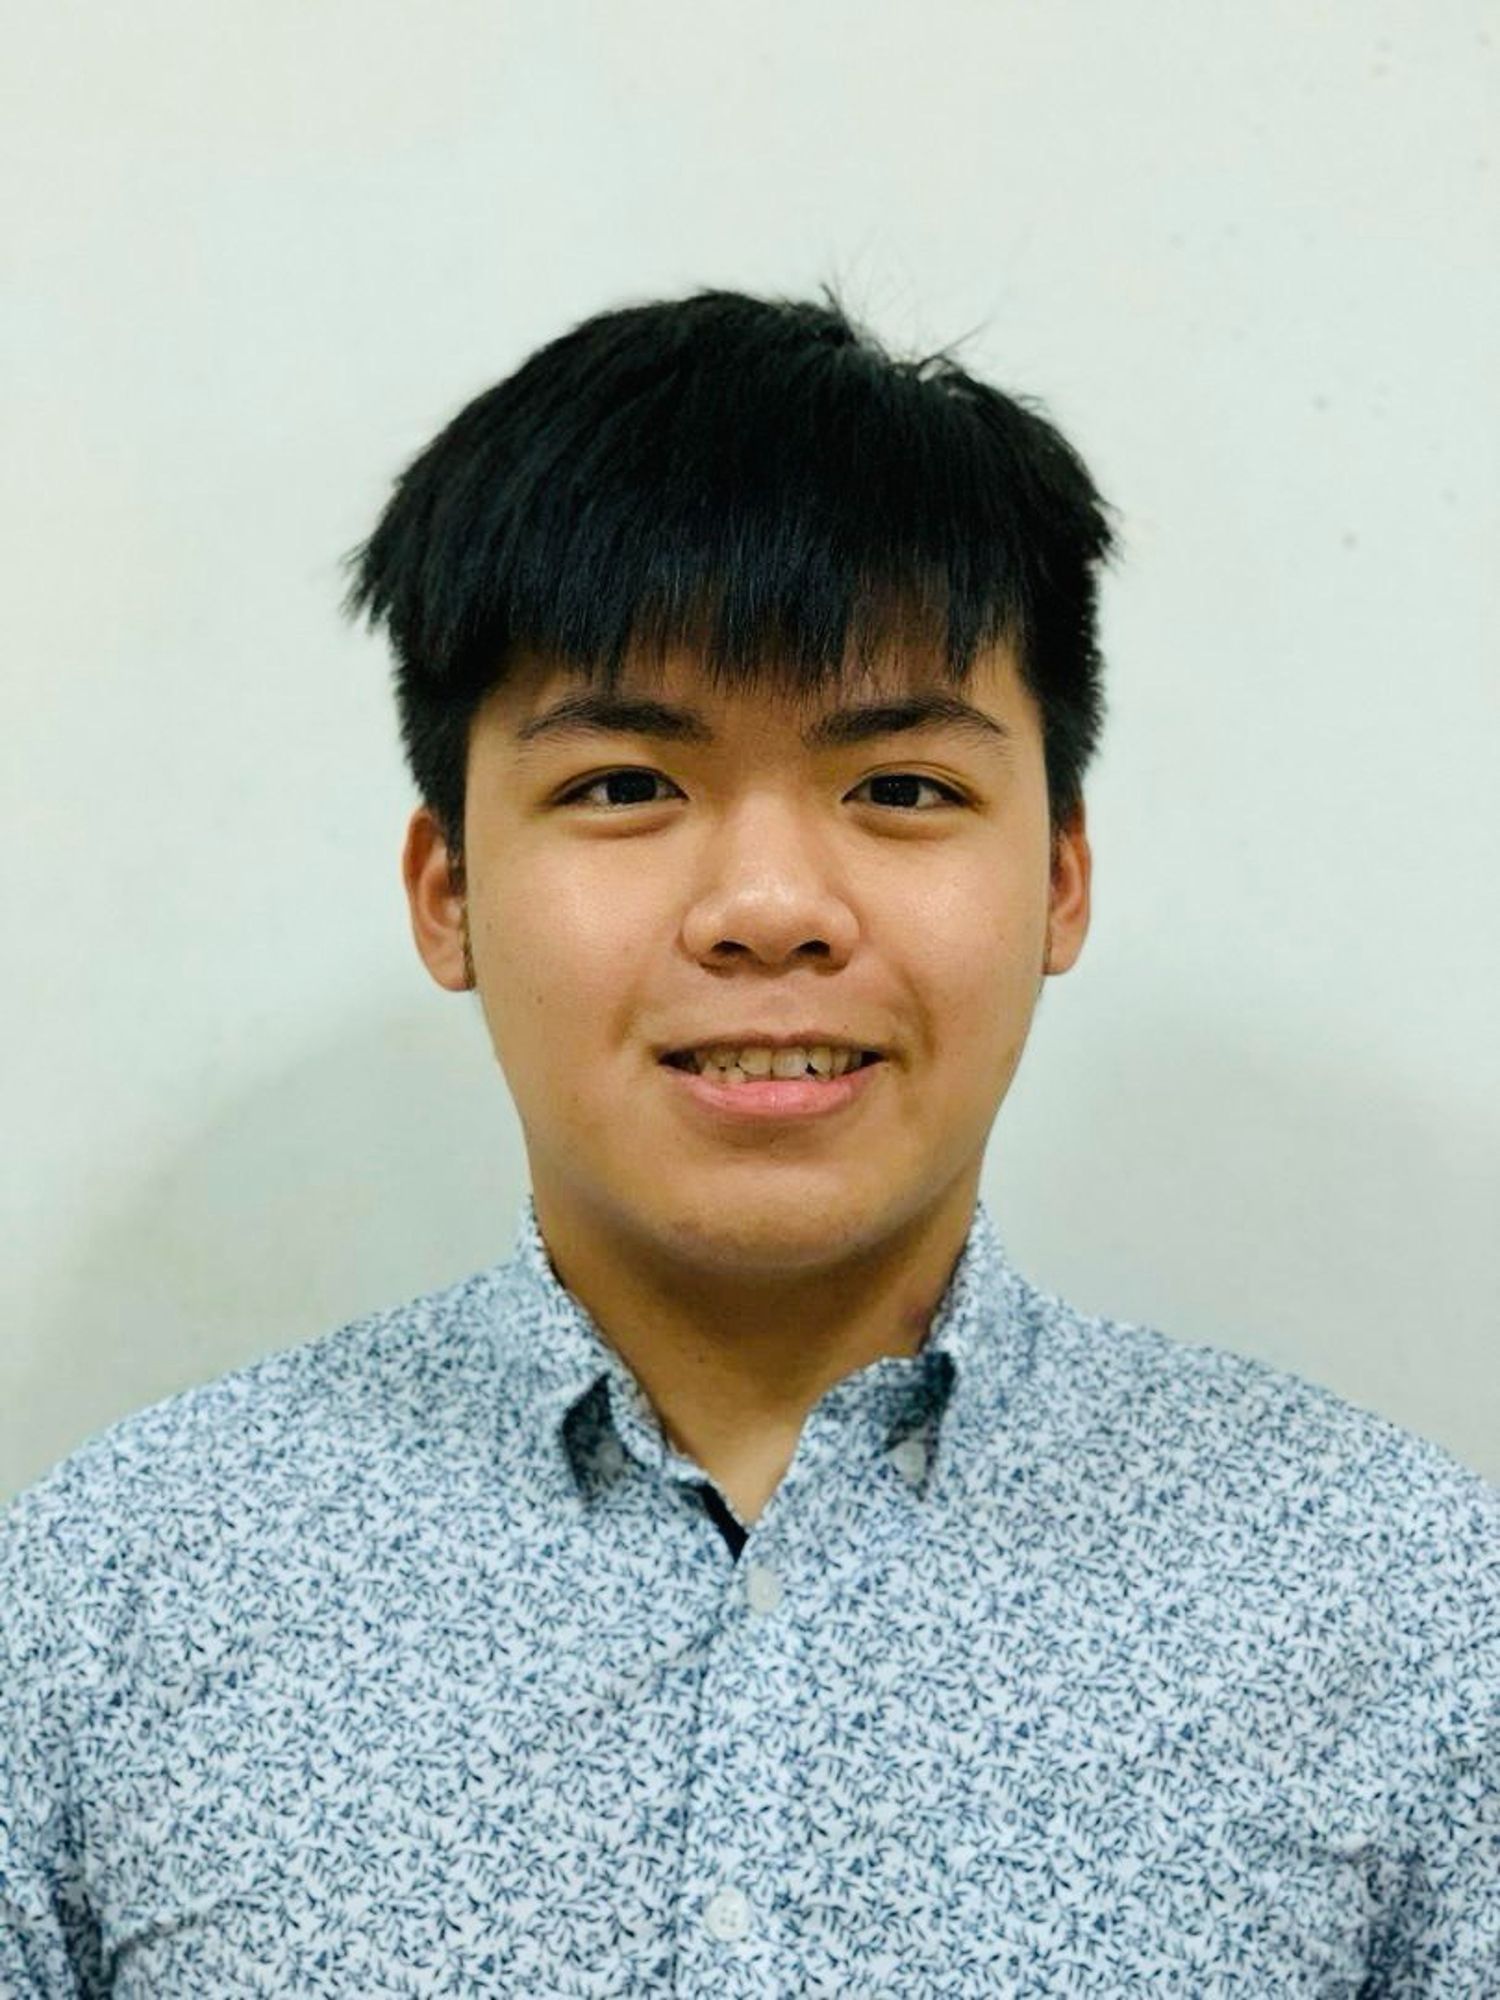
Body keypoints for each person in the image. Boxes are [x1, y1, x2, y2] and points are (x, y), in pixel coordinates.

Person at [1, 287, 1494, 1996]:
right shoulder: (107, 1602)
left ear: (1061, 879)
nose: (771, 907)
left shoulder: (1401, 1605)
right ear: (450, 890)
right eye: (627, 785)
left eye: (903, 789)